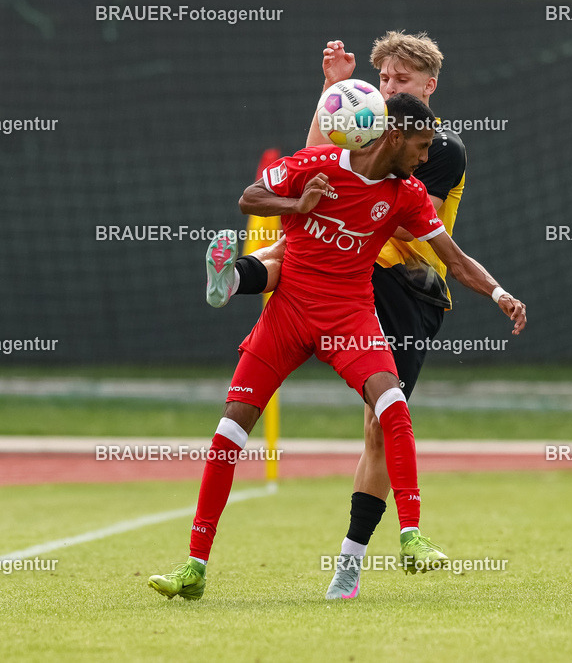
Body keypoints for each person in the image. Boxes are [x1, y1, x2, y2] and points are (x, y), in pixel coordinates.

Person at [149, 93, 525, 601]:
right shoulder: (318, 163)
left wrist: (499, 293)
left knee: (392, 403)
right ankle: (194, 567)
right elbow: (249, 198)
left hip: (349, 315)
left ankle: (411, 536)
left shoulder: (408, 194)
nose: (424, 156)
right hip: (288, 312)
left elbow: (454, 260)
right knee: (230, 427)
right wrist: (297, 205)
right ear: (393, 136)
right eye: (419, 145)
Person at [205, 32, 471, 599]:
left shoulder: (437, 148)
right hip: (353, 271)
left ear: (429, 86)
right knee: (300, 246)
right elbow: (318, 169)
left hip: (408, 289)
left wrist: (324, 190)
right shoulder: (374, 128)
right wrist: (331, 94)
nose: (389, 89)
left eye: (400, 81)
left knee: (379, 424)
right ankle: (235, 277)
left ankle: (349, 564)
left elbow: (377, 204)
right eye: (382, 81)